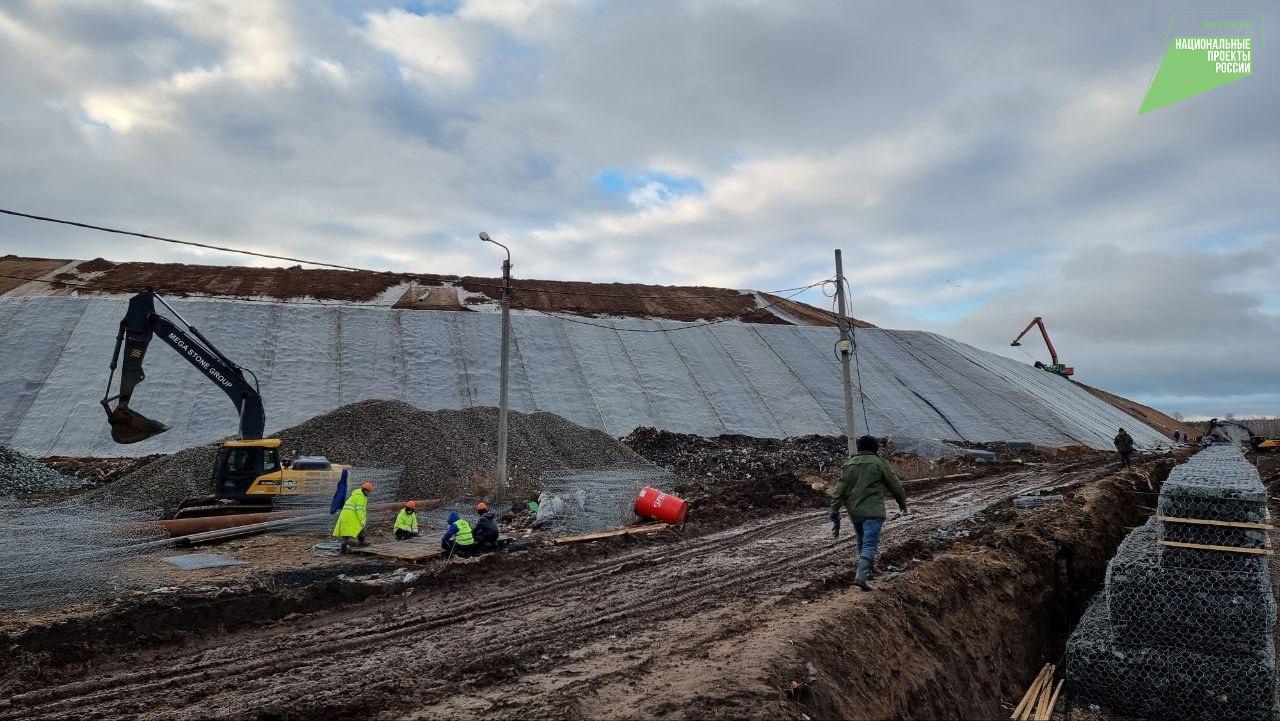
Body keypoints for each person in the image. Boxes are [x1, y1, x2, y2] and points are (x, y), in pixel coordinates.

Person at [831, 435, 907, 592]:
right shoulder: (879, 463)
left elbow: (839, 490)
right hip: (874, 511)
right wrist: (902, 503)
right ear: (875, 449)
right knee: (870, 543)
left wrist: (834, 509)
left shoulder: (848, 464)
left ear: (859, 447)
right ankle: (861, 578)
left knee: (861, 538)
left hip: (855, 511)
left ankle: (868, 571)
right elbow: (895, 485)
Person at [332, 482, 373, 554]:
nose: (369, 493)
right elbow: (359, 509)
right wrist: (362, 519)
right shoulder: (361, 497)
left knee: (347, 530)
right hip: (351, 516)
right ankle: (358, 542)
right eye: (368, 491)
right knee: (356, 527)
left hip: (345, 515)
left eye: (369, 491)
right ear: (364, 490)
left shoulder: (356, 495)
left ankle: (344, 549)